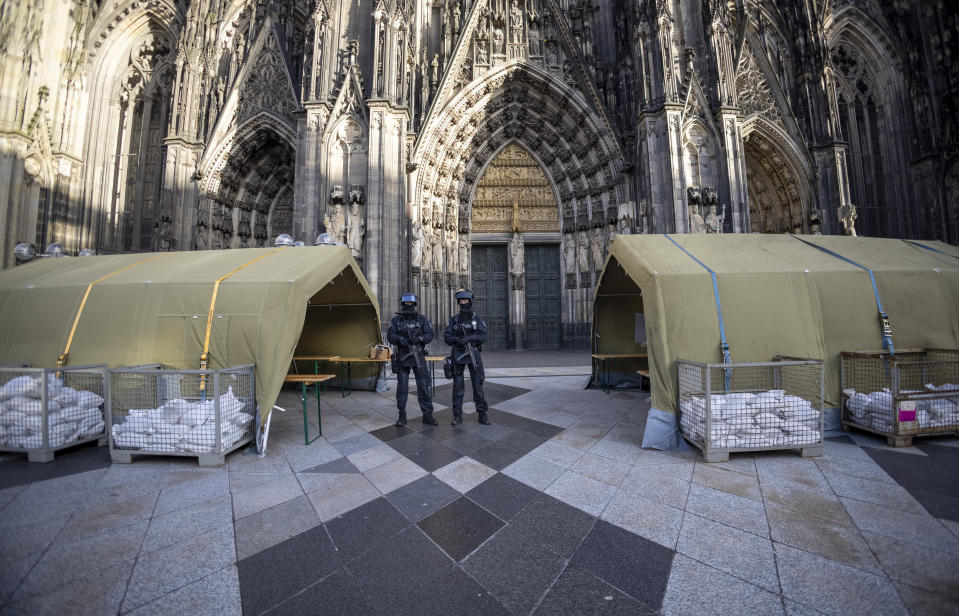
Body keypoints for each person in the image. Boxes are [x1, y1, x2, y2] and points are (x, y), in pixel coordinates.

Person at [386, 294, 437, 427]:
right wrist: (400, 339)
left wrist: (419, 339)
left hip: (418, 356)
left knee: (423, 386)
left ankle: (427, 414)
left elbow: (430, 334)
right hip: (402, 357)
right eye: (406, 304)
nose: (409, 306)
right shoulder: (396, 320)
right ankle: (402, 415)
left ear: (415, 305)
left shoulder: (422, 319)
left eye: (411, 303)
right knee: (402, 387)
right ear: (403, 305)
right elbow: (390, 334)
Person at [443, 289, 490, 425]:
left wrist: (470, 338)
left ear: (470, 301)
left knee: (478, 385)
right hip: (458, 354)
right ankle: (457, 415)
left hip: (473, 354)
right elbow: (447, 337)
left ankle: (482, 414)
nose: (463, 303)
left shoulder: (477, 318)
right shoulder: (455, 320)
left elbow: (483, 336)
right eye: (461, 301)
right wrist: (458, 341)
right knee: (458, 386)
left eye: (466, 301)